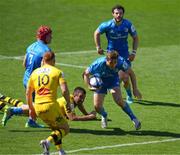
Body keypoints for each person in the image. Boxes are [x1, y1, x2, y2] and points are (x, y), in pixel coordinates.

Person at [94, 4, 141, 104]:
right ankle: (113, 92)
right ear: (113, 14)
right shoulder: (107, 25)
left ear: (123, 14)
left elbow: (135, 37)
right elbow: (96, 33)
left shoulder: (128, 24)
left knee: (125, 76)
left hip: (124, 55)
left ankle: (128, 94)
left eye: (120, 13)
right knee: (119, 76)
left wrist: (133, 52)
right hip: (111, 55)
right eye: (116, 13)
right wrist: (98, 47)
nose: (118, 15)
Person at [26, 51, 71, 155]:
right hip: (50, 105)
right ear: (54, 60)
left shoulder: (34, 72)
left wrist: (31, 109)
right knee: (65, 128)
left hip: (37, 107)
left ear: (43, 60)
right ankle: (47, 142)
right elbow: (64, 91)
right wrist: (68, 103)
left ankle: (59, 151)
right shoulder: (58, 72)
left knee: (56, 129)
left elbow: (28, 92)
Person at [83, 50, 141, 130]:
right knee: (97, 107)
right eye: (111, 63)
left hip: (113, 80)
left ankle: (134, 119)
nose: (113, 65)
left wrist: (135, 89)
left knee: (119, 101)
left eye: (115, 63)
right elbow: (85, 74)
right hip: (100, 82)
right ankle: (104, 115)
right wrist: (89, 86)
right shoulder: (98, 64)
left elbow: (131, 73)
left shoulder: (120, 62)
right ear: (106, 60)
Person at [1, 87, 96, 126]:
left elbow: (80, 105)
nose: (82, 100)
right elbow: (73, 118)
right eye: (80, 97)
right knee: (20, 109)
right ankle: (9, 109)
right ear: (74, 95)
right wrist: (89, 117)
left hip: (46, 109)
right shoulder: (69, 102)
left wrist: (88, 114)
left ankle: (4, 100)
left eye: (83, 98)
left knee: (22, 108)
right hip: (46, 108)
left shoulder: (73, 100)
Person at [23, 25, 52, 128]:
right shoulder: (46, 51)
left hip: (26, 79)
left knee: (33, 102)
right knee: (38, 104)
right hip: (36, 82)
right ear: (45, 36)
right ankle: (13, 110)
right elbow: (45, 68)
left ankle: (31, 121)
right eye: (49, 35)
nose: (51, 37)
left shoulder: (30, 46)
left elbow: (24, 63)